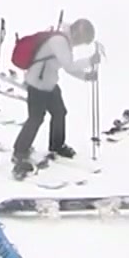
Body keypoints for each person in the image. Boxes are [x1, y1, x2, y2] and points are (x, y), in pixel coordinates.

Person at [12, 18, 97, 178]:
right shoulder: (59, 41)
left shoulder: (65, 41)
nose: (80, 44)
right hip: (37, 83)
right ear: (78, 33)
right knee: (36, 118)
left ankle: (57, 145)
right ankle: (20, 151)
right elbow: (69, 65)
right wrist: (89, 61)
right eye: (82, 40)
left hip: (49, 82)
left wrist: (86, 76)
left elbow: (67, 67)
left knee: (59, 112)